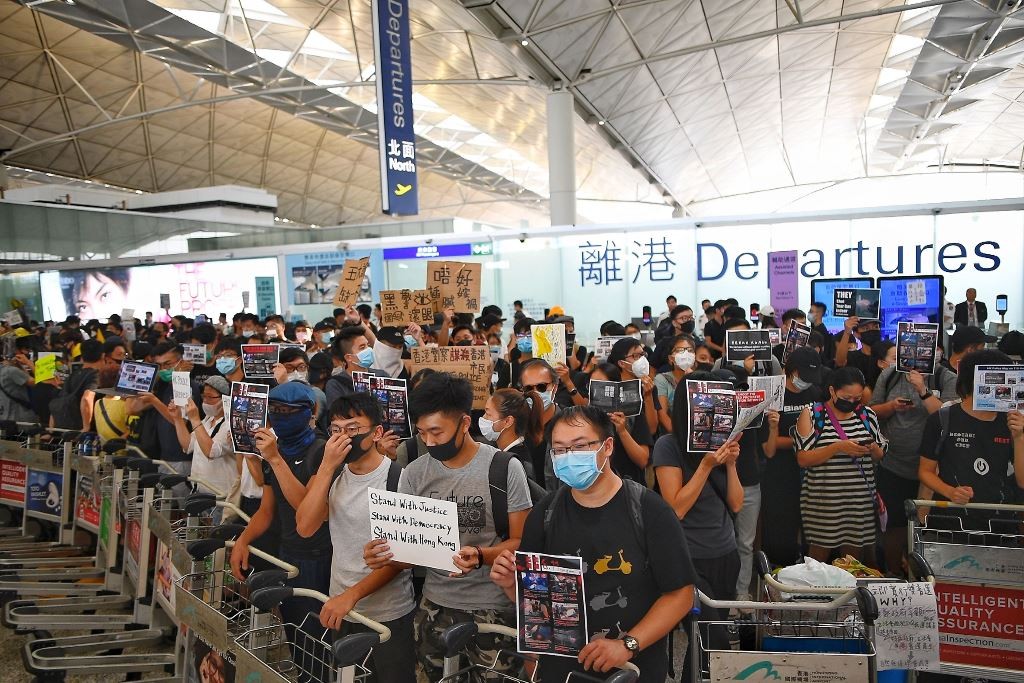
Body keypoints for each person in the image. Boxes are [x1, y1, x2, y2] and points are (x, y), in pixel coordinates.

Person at [491, 405, 696, 682]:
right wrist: (511, 585)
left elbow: (680, 594)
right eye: (560, 450)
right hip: (563, 670)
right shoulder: (545, 514)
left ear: (607, 446)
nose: (569, 457)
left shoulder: (648, 510)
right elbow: (537, 600)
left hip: (632, 670)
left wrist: (628, 645)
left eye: (580, 446)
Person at [363, 373, 532, 681]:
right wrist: (384, 554)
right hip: (434, 606)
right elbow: (408, 552)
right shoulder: (414, 473)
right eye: (422, 432)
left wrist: (482, 555)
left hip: (492, 610)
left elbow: (522, 541)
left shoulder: (504, 468)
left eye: (437, 432)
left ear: (465, 423)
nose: (429, 441)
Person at [295, 393, 416, 683]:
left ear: (375, 432)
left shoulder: (399, 479)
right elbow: (305, 526)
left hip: (388, 613)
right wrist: (326, 467)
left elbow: (403, 558)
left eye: (352, 429)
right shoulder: (333, 473)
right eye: (336, 430)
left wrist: (352, 595)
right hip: (342, 608)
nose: (343, 437)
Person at [653, 377, 741, 679]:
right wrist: (704, 467)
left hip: (726, 552)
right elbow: (675, 508)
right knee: (710, 636)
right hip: (688, 558)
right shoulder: (668, 445)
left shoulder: (723, 442)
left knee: (708, 639)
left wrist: (729, 464)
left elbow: (737, 503)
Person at [230, 382, 332, 633]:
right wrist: (242, 541)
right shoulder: (275, 449)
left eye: (289, 411)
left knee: (315, 636)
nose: (281, 417)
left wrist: (275, 460)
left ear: (312, 411)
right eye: (275, 410)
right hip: (286, 553)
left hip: (318, 556)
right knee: (293, 630)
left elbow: (307, 511)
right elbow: (267, 509)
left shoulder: (321, 451)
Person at [869, 355, 957, 575]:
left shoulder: (945, 378)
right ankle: (894, 574)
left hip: (933, 471)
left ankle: (923, 575)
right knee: (893, 525)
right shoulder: (890, 374)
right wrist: (891, 406)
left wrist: (923, 391)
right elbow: (871, 412)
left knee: (925, 526)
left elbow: (949, 417)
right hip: (893, 465)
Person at [918, 349, 1024, 530]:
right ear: (973, 380)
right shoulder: (942, 418)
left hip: (1001, 522)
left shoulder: (1014, 421)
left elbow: (1022, 482)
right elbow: (925, 471)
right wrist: (950, 492)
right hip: (950, 521)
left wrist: (1019, 437)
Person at [794, 367, 889, 564]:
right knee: (817, 560)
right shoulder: (813, 414)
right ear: (832, 391)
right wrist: (838, 447)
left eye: (857, 399)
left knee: (853, 561)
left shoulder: (866, 415)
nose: (852, 403)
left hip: (858, 502)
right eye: (846, 397)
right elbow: (803, 458)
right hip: (823, 503)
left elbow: (880, 455)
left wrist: (871, 448)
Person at [170, 376, 237, 509]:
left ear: (225, 398)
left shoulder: (232, 424)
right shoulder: (208, 419)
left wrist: (194, 419)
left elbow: (211, 452)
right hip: (200, 490)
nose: (205, 401)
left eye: (210, 397)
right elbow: (187, 445)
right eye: (204, 396)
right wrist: (177, 418)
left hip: (220, 496)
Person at [584, 363, 653, 485]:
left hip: (628, 484)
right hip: (594, 484)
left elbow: (643, 460)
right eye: (592, 385)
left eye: (601, 385)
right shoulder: (584, 416)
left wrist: (622, 431)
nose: (595, 391)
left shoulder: (633, 414)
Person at [479, 388, 545, 482]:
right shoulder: (509, 453)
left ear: (507, 421)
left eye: (488, 414)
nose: (483, 418)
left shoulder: (516, 463)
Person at [653, 334, 697, 431]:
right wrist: (679, 437)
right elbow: (662, 415)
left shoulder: (700, 378)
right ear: (671, 358)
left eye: (690, 350)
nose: (685, 354)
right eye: (680, 351)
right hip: (673, 434)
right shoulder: (662, 379)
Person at [0, 337, 37, 423]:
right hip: (18, 418)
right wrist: (29, 363)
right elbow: (38, 383)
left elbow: (25, 377)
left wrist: (19, 366)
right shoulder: (11, 371)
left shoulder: (8, 370)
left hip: (4, 417)